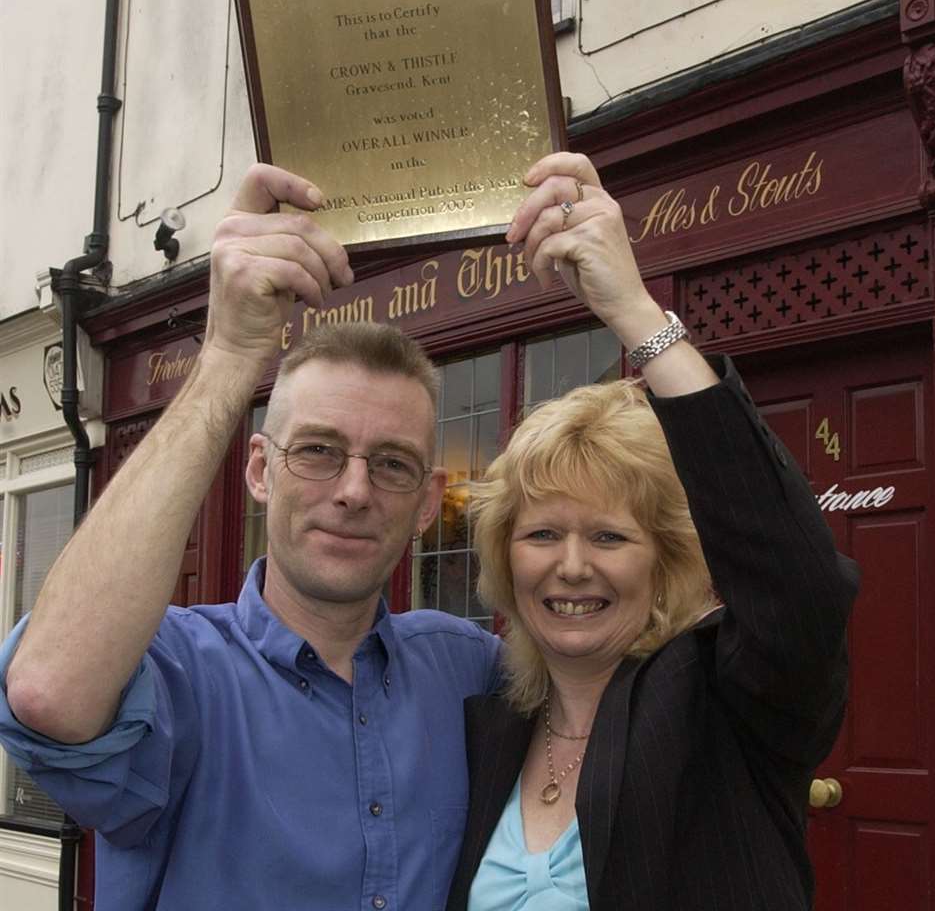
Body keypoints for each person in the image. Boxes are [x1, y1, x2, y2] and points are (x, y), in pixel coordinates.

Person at [0, 164, 502, 910]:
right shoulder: (179, 669)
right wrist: (229, 357)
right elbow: (47, 694)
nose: (355, 490)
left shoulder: (468, 669)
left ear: (428, 505)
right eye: (319, 451)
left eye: (391, 464)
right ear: (260, 470)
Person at [445, 153, 860, 910]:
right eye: (541, 535)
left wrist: (635, 313)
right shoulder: (488, 726)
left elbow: (798, 586)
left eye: (608, 538)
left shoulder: (725, 706)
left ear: (666, 560)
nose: (571, 567)